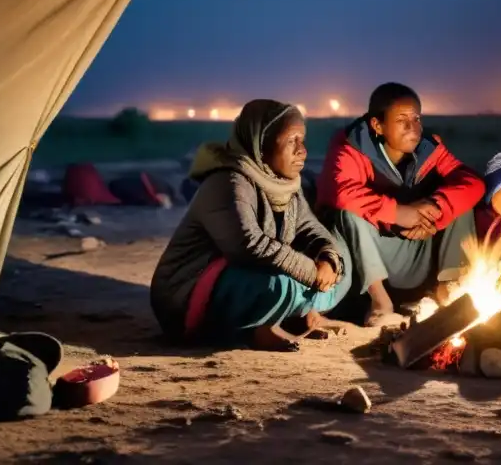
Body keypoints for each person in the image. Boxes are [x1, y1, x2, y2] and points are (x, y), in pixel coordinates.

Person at [150, 100, 351, 352]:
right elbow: (248, 245)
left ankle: (292, 315)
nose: (303, 151)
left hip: (251, 279)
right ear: (261, 143)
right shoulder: (227, 182)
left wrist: (327, 260)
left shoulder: (285, 185)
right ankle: (257, 328)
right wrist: (311, 272)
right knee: (279, 286)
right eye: (292, 141)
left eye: (303, 140)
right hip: (187, 299)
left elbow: (311, 229)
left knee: (342, 262)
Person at [317, 83, 484, 325]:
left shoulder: (429, 149)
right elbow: (340, 193)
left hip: (417, 246)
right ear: (377, 125)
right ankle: (380, 304)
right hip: (370, 256)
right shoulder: (350, 146)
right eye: (402, 120)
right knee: (348, 214)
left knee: (460, 204)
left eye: (416, 118)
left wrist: (437, 209)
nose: (412, 127)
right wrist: (399, 212)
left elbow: (473, 182)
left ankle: (449, 289)